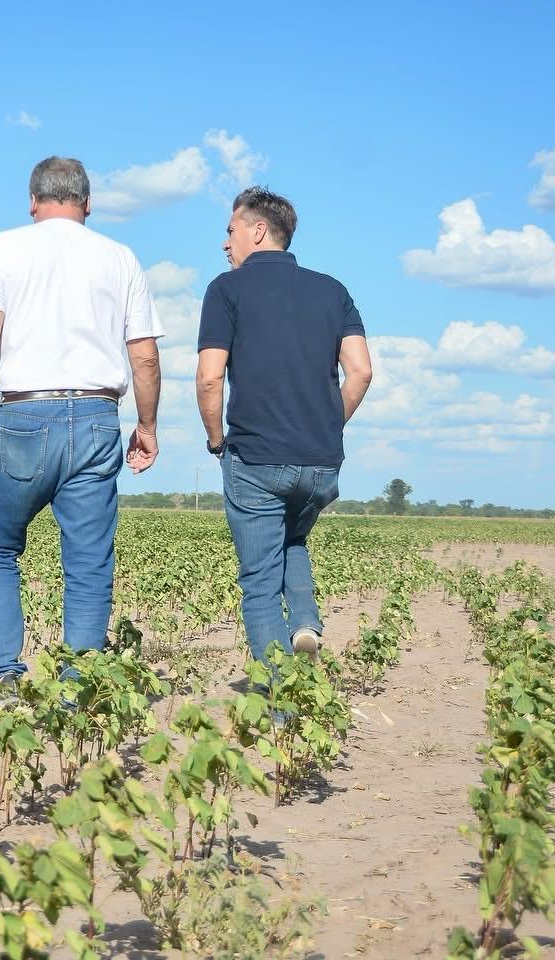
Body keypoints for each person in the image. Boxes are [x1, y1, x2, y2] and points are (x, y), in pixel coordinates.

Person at [0, 156, 163, 720]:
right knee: (89, 561)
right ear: (87, 203)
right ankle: (78, 691)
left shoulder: (3, 248)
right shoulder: (120, 258)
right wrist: (145, 426)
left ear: (32, 201)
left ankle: (5, 682)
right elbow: (143, 354)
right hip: (98, 416)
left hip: (24, 415)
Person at [195, 187, 372, 673]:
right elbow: (360, 371)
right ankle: (306, 625)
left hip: (256, 457)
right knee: (292, 540)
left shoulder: (225, 290)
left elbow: (211, 376)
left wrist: (216, 441)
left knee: (258, 582)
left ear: (257, 230)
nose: (224, 244)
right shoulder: (333, 290)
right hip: (321, 463)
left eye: (230, 231)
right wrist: (327, 425)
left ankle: (280, 702)